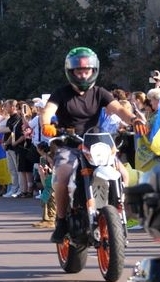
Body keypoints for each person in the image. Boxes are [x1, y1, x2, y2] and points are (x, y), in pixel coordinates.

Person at [39, 46, 146, 243]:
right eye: (79, 71)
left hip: (95, 144)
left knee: (123, 174)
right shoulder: (61, 93)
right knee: (62, 176)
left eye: (86, 70)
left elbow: (118, 109)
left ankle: (119, 214)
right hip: (70, 144)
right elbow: (48, 110)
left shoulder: (100, 93)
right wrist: (46, 124)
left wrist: (134, 120)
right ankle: (61, 221)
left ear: (93, 71)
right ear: (71, 72)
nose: (83, 74)